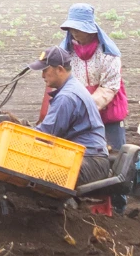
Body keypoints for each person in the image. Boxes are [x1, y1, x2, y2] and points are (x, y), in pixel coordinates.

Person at [49, 3, 128, 150]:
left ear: (90, 29)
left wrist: (85, 108)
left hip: (108, 113)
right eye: (72, 29)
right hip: (79, 118)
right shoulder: (66, 54)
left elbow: (109, 87)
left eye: (79, 29)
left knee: (116, 156)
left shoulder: (108, 53)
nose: (75, 33)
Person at [29, 47, 113, 181]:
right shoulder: (73, 87)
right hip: (90, 158)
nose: (42, 75)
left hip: (89, 161)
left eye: (45, 70)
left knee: (35, 175)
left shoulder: (66, 97)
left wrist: (16, 137)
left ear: (60, 70)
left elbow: (45, 134)